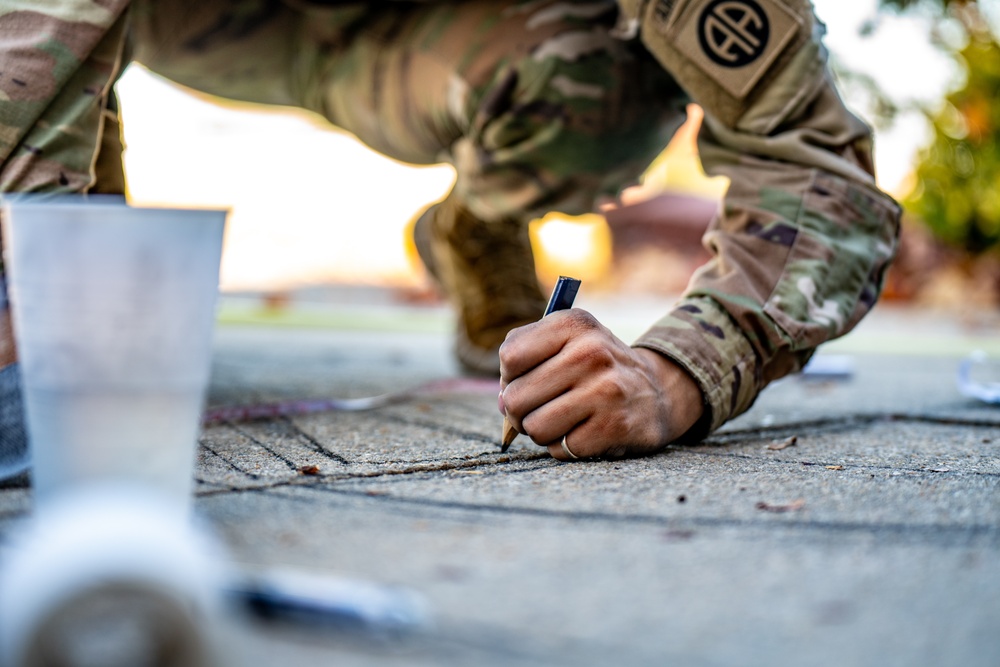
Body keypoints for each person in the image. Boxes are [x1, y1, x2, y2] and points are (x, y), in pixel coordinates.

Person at [0, 0, 900, 470]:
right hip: (200, 23)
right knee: (60, 331)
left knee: (600, 87)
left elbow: (816, 166)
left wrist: (678, 373)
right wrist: (32, 256)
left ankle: (479, 224)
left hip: (419, 46)